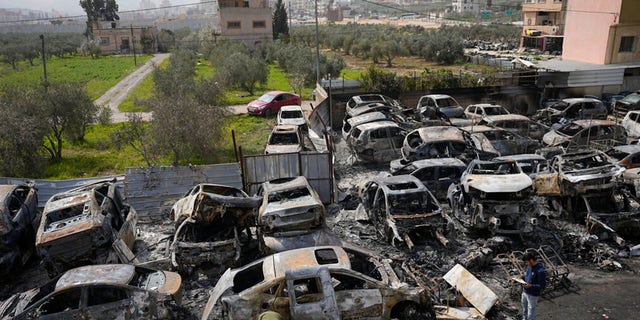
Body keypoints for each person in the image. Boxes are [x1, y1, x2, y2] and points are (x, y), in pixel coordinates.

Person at [521, 252, 546, 320]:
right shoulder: (530, 267)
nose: (526, 264)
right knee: (524, 311)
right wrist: (519, 278)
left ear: (531, 260)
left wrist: (531, 286)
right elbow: (527, 276)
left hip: (532, 295)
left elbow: (542, 286)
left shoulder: (540, 271)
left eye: (527, 262)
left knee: (530, 315)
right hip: (525, 292)